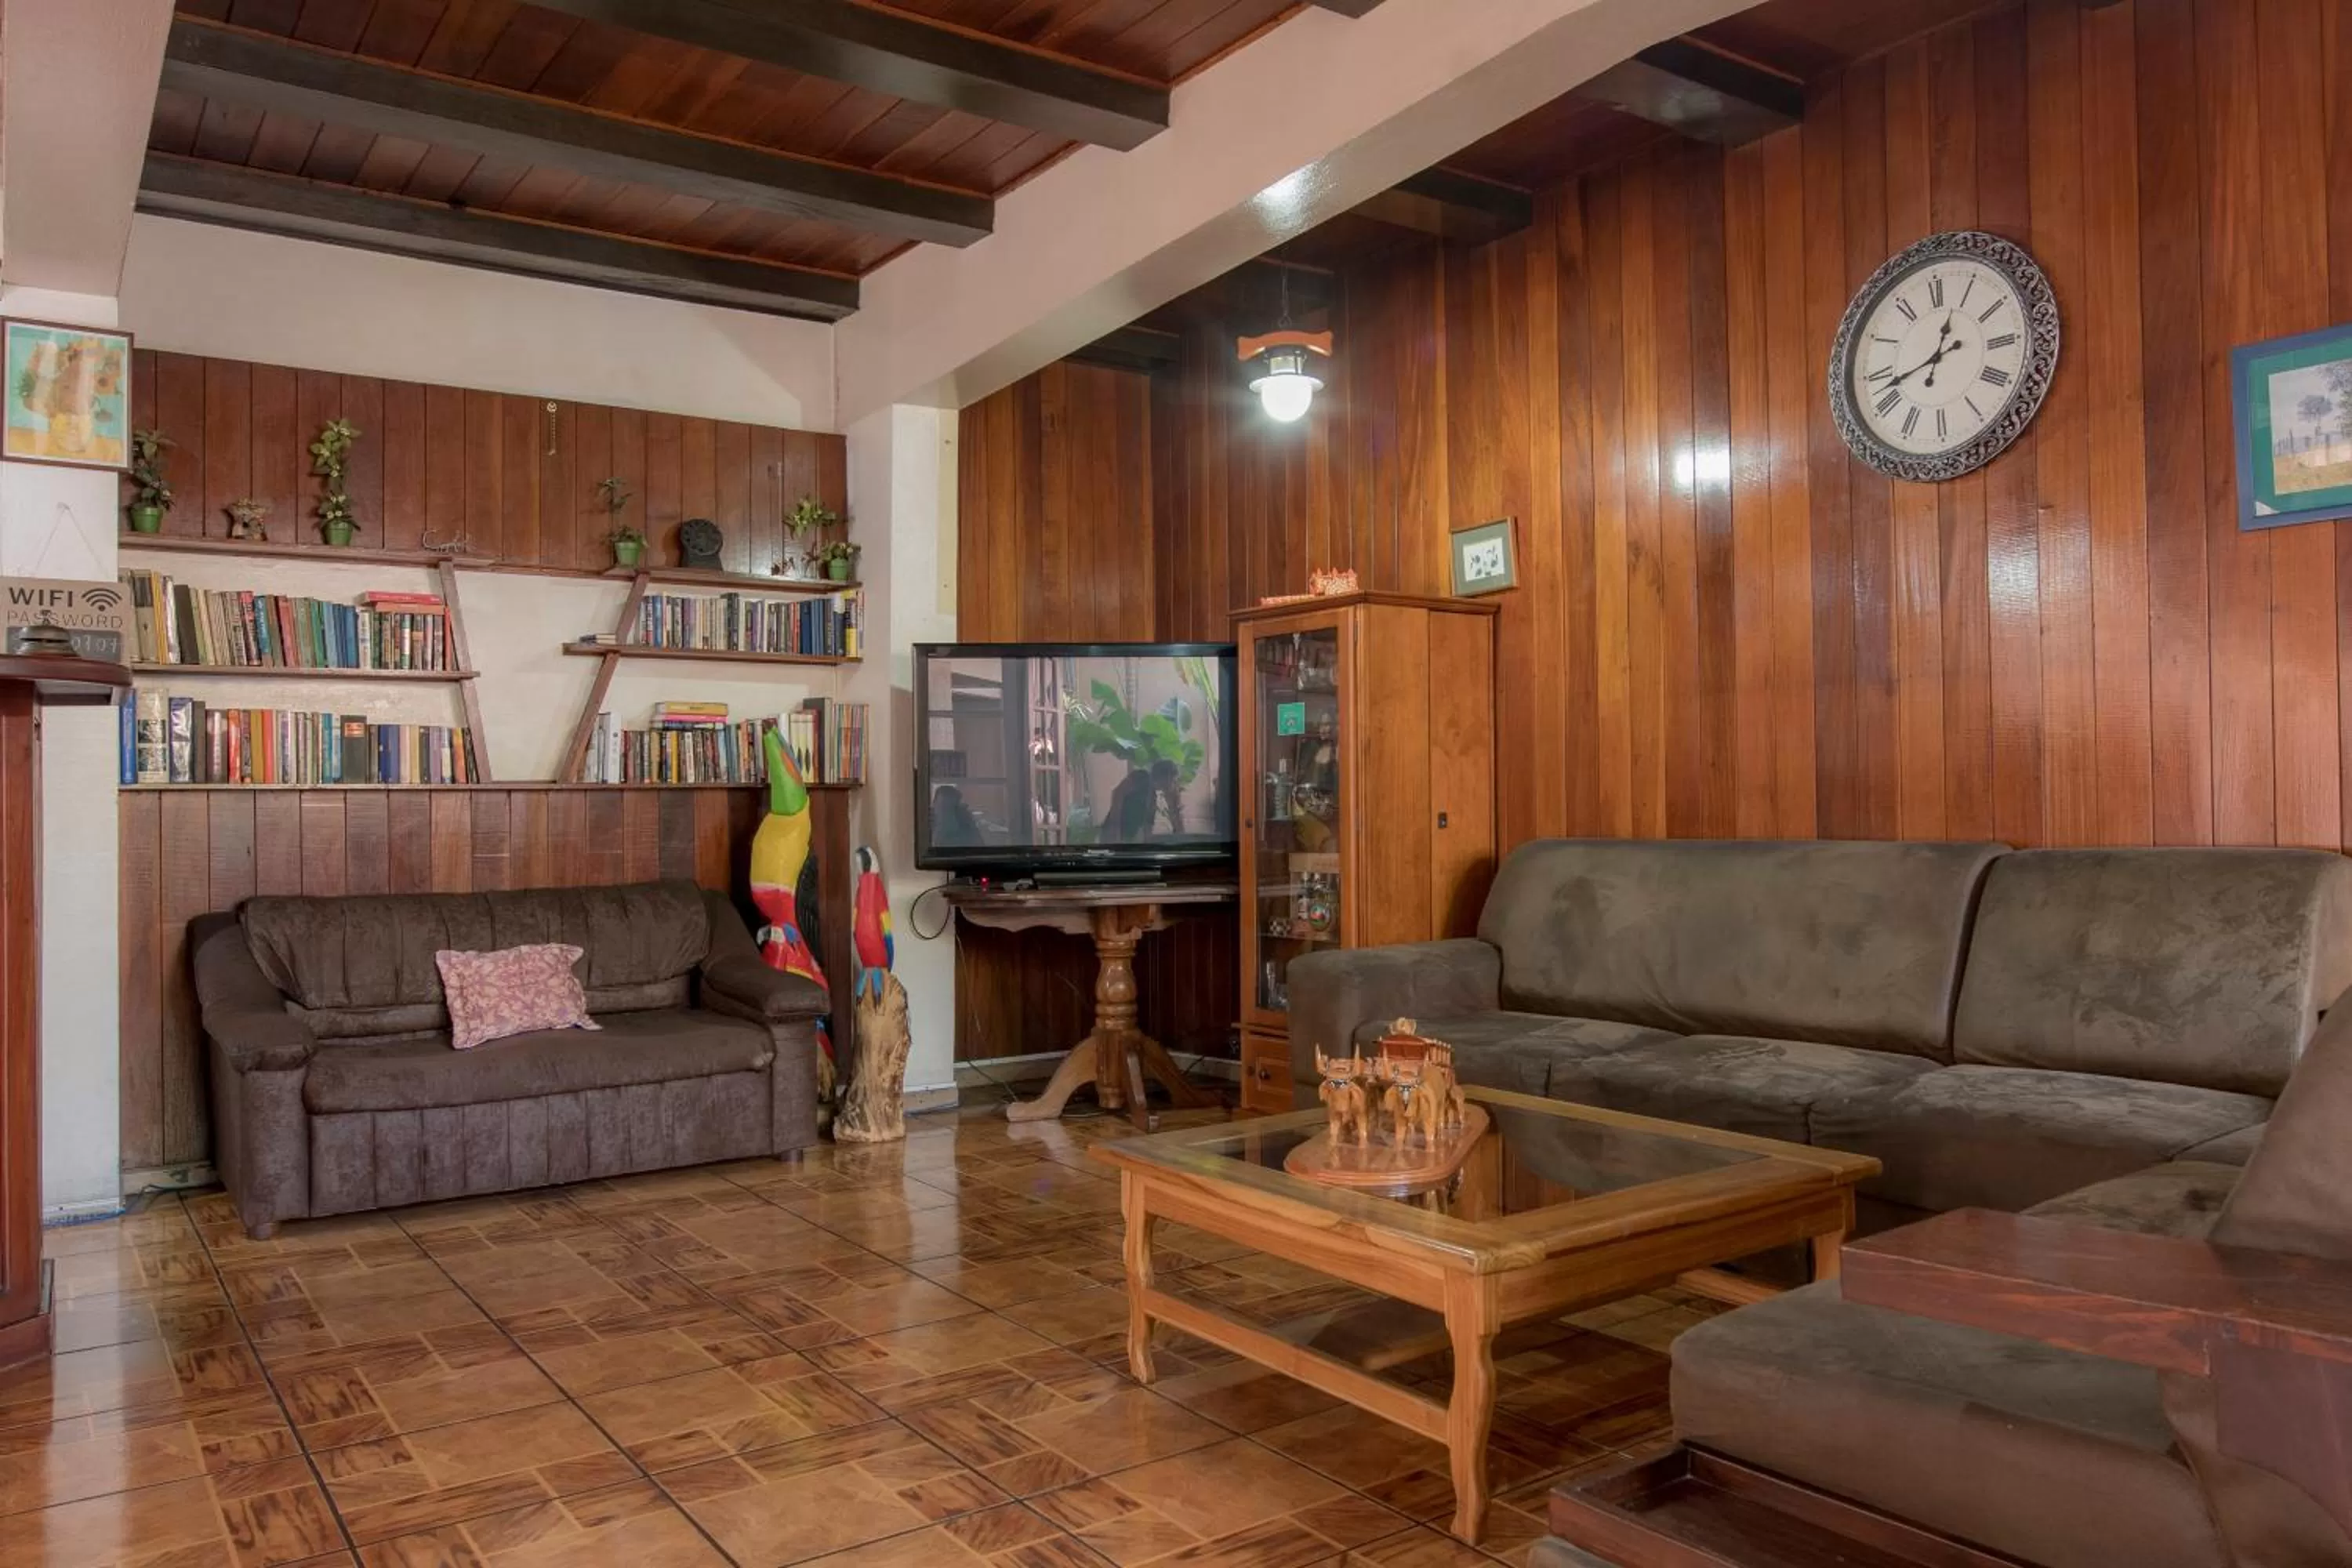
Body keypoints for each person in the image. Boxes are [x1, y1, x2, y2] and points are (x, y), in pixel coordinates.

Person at [1104, 758, 1179, 842]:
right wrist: (1115, 826)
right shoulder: (1141, 777)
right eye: (1173, 780)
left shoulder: (1153, 796)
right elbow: (1118, 793)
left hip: (1128, 835)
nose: (1174, 783)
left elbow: (1148, 824)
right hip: (1113, 831)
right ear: (1166, 776)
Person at [930, 783, 983, 847]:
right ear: (934, 804)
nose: (946, 810)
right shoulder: (927, 823)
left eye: (950, 806)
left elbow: (979, 845)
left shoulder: (966, 824)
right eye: (943, 806)